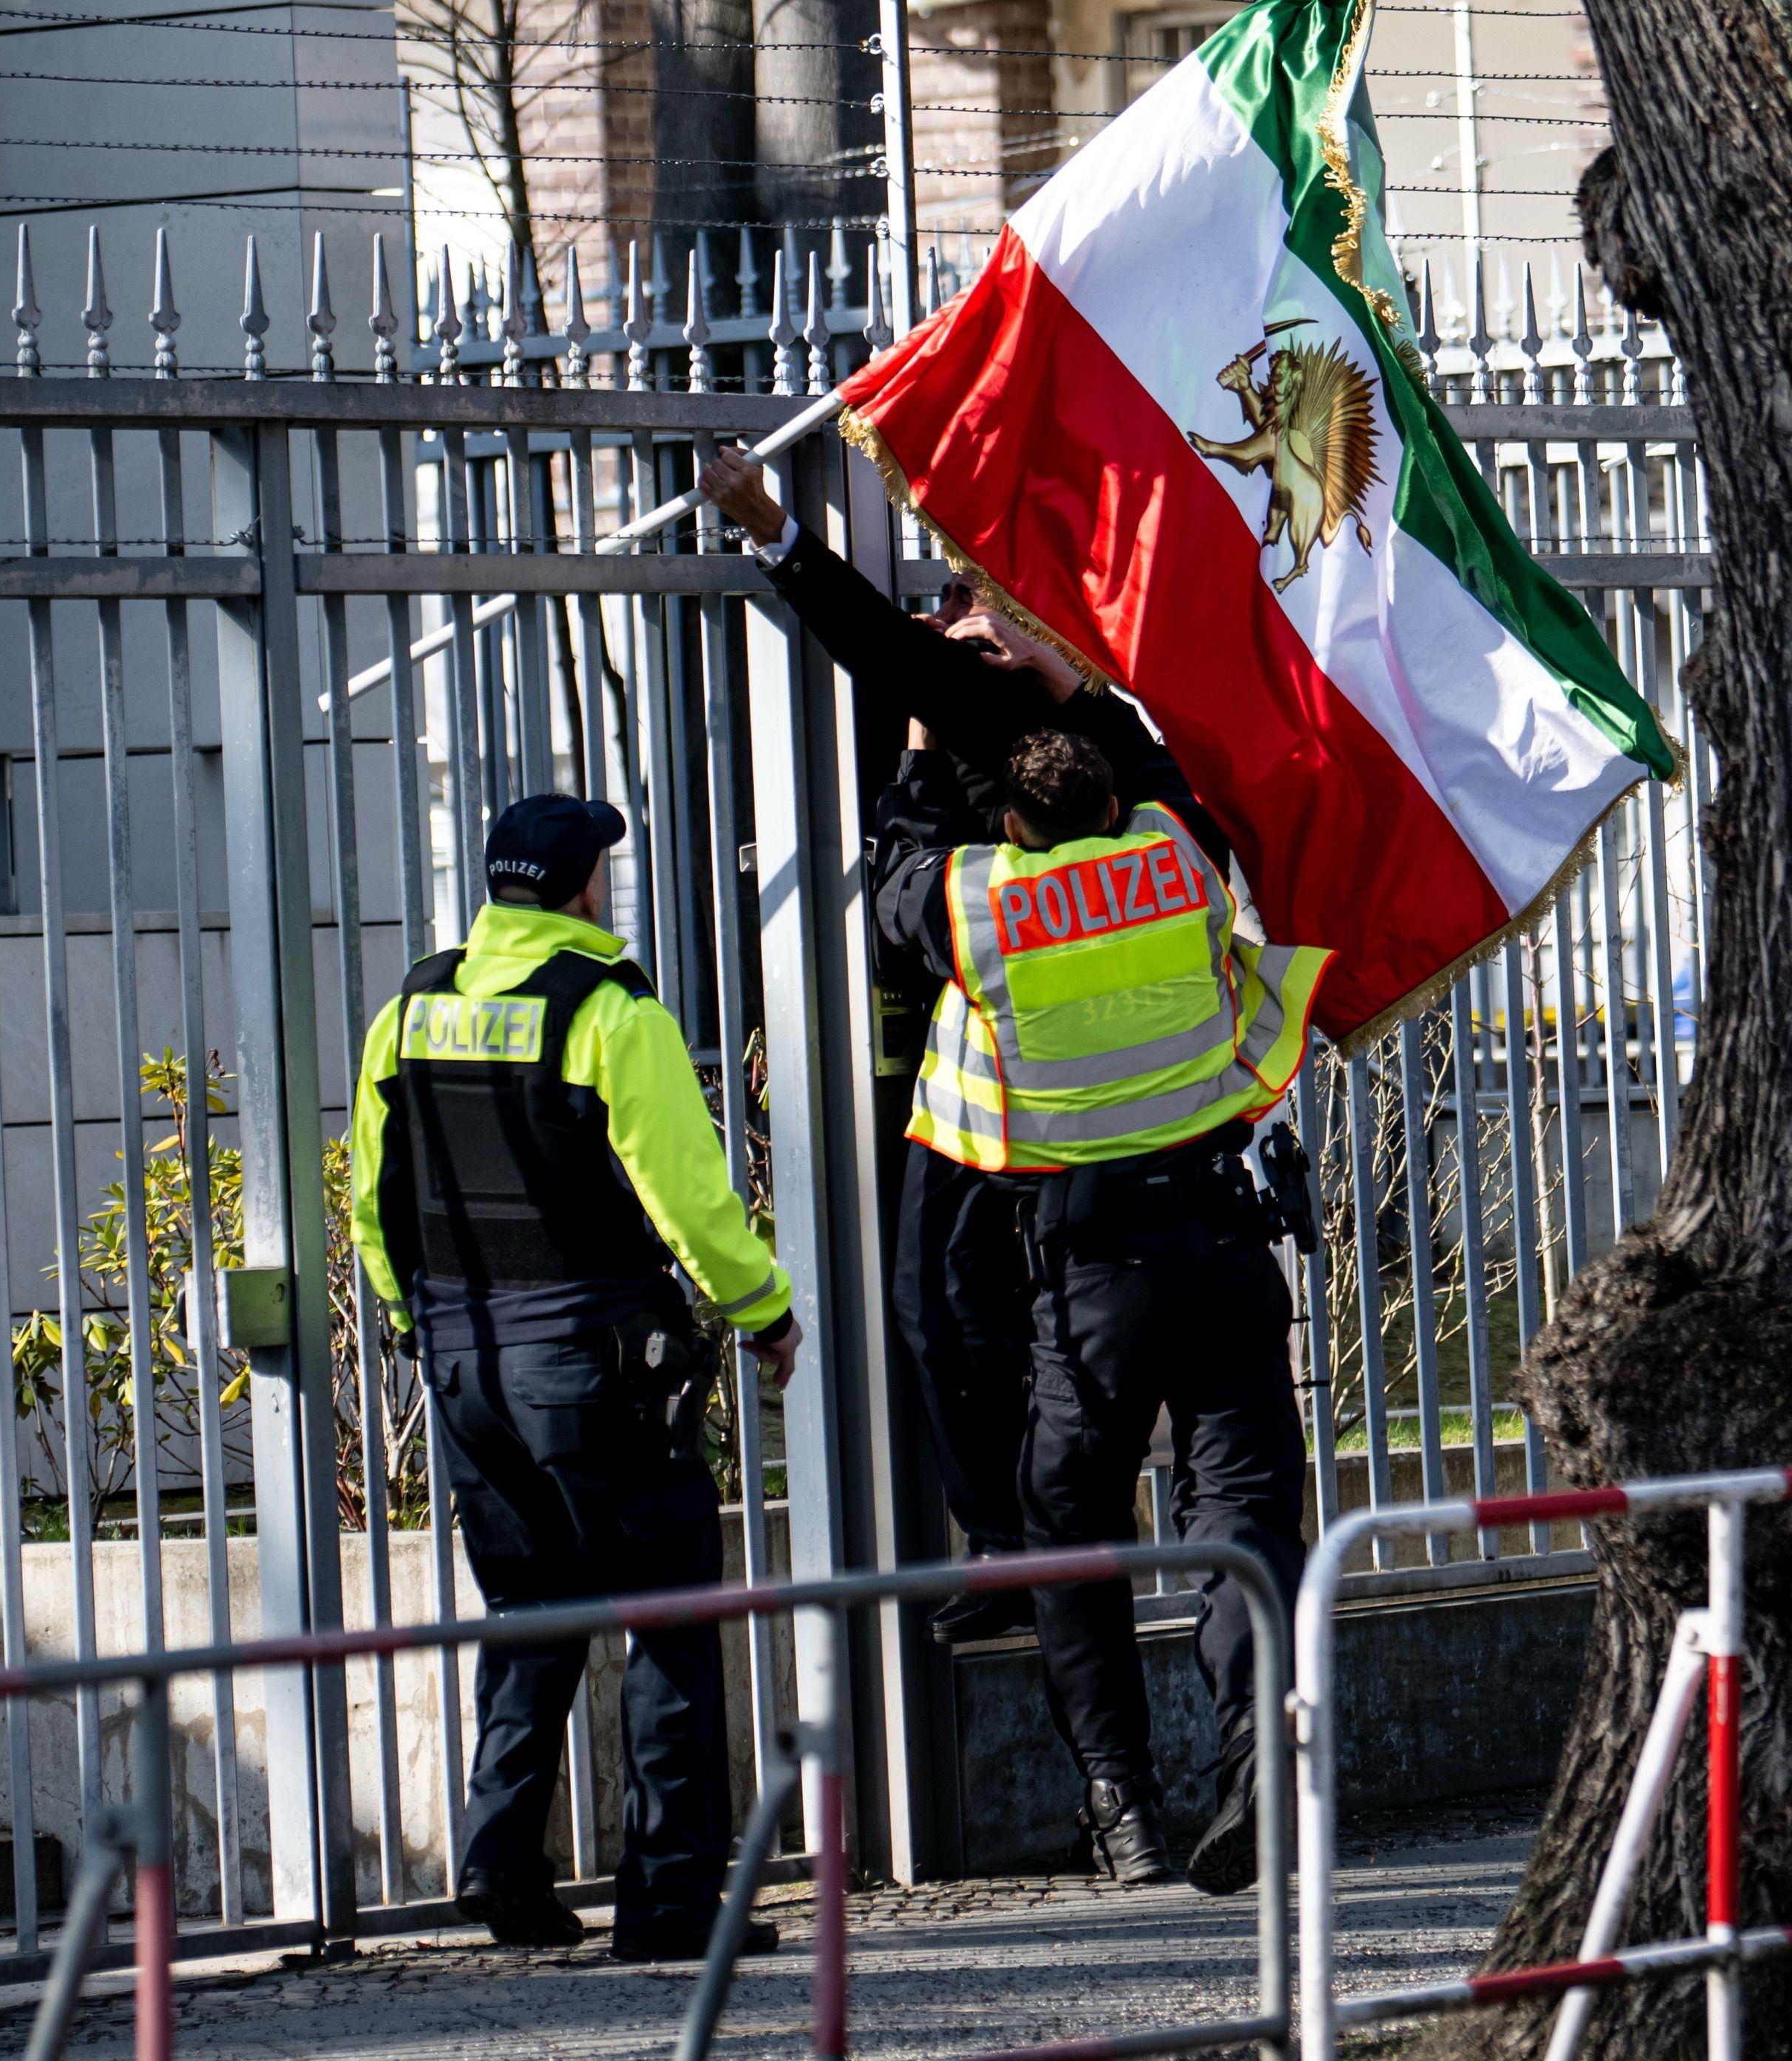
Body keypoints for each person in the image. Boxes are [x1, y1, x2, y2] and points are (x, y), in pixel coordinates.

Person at [694, 440, 1235, 1648]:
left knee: (991, 1314)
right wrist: (1042, 690)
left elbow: (892, 710)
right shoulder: (1095, 749)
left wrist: (777, 532)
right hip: (1042, 1094)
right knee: (957, 1304)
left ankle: (1030, 1545)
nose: (947, 613)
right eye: (945, 594)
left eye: (968, 593)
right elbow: (1155, 791)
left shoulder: (1038, 710)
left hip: (1040, 1103)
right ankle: (1017, 1541)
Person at [871, 722, 1328, 1893]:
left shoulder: (986, 902)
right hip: (1224, 1241)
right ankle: (1257, 1753)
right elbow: (1178, 779)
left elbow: (900, 876)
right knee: (1244, 1512)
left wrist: (922, 753)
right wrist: (1074, 690)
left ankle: (1121, 1806)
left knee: (1070, 1527)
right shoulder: (1174, 856)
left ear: (1012, 827)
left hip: (1093, 1277)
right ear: (1115, 807)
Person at [348, 794, 804, 1961]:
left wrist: (416, 1322)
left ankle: (502, 1866)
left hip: (463, 1362)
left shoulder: (411, 1007)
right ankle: (669, 1902)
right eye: (604, 869)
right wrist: (760, 1308)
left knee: (530, 1608)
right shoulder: (609, 1008)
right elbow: (685, 1192)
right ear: (579, 885)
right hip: (592, 1363)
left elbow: (373, 1200)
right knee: (669, 1612)